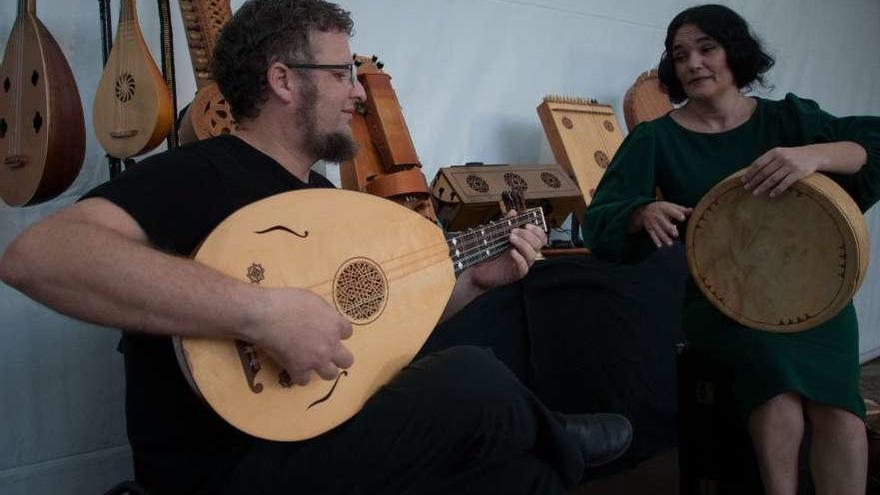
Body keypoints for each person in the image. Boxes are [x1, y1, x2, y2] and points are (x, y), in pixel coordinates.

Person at [0, 1, 633, 494]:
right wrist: (259, 312)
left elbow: (363, 325)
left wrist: (474, 282)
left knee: (526, 479)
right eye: (342, 73)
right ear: (282, 80)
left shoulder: (322, 197)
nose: (359, 91)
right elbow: (38, 257)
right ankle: (555, 431)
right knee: (474, 377)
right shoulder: (201, 171)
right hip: (228, 472)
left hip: (320, 433)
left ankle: (549, 442)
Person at [583, 4, 880, 495]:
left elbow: (872, 141)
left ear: (734, 53)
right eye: (680, 56)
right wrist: (641, 212)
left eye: (707, 48)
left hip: (813, 295)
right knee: (777, 387)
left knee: (838, 404)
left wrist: (813, 155)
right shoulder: (657, 138)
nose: (693, 63)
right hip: (727, 300)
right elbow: (601, 220)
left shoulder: (789, 120)